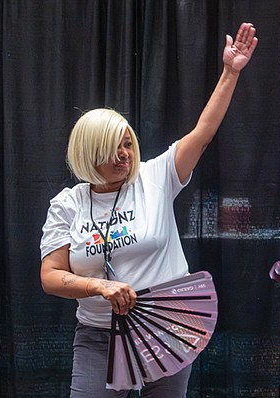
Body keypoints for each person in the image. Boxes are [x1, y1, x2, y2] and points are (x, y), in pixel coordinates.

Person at [39, 22, 257, 397]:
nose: (124, 155)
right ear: (90, 154)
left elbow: (203, 133)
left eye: (127, 144)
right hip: (98, 335)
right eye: (113, 148)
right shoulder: (68, 204)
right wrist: (99, 286)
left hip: (167, 327)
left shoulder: (155, 176)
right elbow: (51, 276)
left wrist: (230, 72)